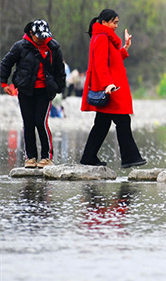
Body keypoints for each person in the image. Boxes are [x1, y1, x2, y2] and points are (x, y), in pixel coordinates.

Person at [79, 9, 147, 168]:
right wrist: (107, 84)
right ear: (104, 22)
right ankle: (130, 158)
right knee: (123, 120)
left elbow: (113, 60)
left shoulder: (103, 37)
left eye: (117, 22)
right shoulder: (102, 38)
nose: (116, 25)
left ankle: (89, 157)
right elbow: (100, 64)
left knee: (102, 124)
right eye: (114, 22)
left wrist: (125, 48)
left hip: (111, 86)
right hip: (111, 88)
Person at [0, 19, 66, 168]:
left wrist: (59, 88)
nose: (42, 39)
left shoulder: (53, 47)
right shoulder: (20, 46)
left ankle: (46, 157)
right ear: (31, 33)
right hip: (25, 90)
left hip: (45, 91)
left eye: (44, 36)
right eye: (39, 37)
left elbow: (59, 70)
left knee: (40, 122)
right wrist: (4, 83)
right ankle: (30, 157)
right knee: (28, 123)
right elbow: (6, 63)